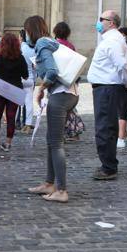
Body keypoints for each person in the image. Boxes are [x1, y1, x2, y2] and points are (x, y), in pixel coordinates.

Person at [25, 16, 79, 204]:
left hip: (60, 95)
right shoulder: (50, 41)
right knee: (52, 141)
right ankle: (49, 183)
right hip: (69, 93)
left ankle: (61, 189)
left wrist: (42, 88)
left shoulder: (41, 42)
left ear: (30, 30)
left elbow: (52, 71)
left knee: (56, 143)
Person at [87, 10, 127, 179]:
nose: (98, 22)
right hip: (106, 87)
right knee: (107, 125)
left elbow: (121, 64)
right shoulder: (112, 39)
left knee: (105, 126)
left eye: (101, 19)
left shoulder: (112, 41)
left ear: (111, 22)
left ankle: (108, 167)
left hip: (107, 88)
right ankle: (108, 164)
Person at [0, 32, 28, 152]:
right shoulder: (20, 58)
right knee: (11, 117)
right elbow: (25, 75)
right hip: (14, 90)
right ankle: (8, 143)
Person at [20, 33, 38, 133]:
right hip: (30, 79)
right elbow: (36, 66)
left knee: (18, 102)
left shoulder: (23, 47)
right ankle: (28, 124)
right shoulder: (34, 50)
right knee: (29, 102)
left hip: (20, 78)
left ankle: (15, 122)